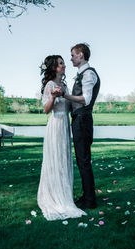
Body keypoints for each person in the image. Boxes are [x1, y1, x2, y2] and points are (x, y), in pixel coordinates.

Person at [37, 55, 87, 220]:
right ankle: (53, 197)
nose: (64, 65)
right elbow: (46, 110)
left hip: (65, 125)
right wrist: (52, 96)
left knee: (63, 159)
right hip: (55, 123)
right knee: (55, 159)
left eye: (63, 62)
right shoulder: (50, 85)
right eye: (60, 63)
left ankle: (65, 195)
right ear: (53, 68)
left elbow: (70, 103)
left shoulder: (64, 85)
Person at [55, 43, 100, 209]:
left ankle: (90, 200)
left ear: (81, 55)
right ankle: (87, 196)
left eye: (73, 55)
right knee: (82, 161)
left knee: (83, 161)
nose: (71, 58)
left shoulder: (88, 74)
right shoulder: (82, 74)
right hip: (79, 120)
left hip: (82, 120)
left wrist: (65, 95)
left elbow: (86, 99)